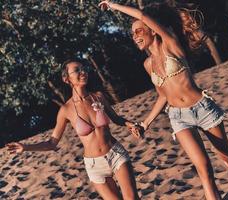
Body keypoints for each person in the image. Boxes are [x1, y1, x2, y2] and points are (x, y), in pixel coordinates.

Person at [99, 1, 228, 200]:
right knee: (204, 169)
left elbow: (142, 15)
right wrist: (145, 123)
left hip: (203, 108)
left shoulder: (171, 44)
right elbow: (163, 95)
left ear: (152, 30)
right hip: (179, 116)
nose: (136, 37)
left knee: (225, 154)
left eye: (139, 31)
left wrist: (114, 5)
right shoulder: (148, 64)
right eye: (133, 34)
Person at [6, 59, 140, 200]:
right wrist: (25, 147)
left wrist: (130, 124)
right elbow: (52, 143)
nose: (83, 72)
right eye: (77, 70)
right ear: (66, 78)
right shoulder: (66, 110)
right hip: (95, 166)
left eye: (83, 69)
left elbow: (116, 118)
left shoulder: (98, 96)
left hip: (116, 154)